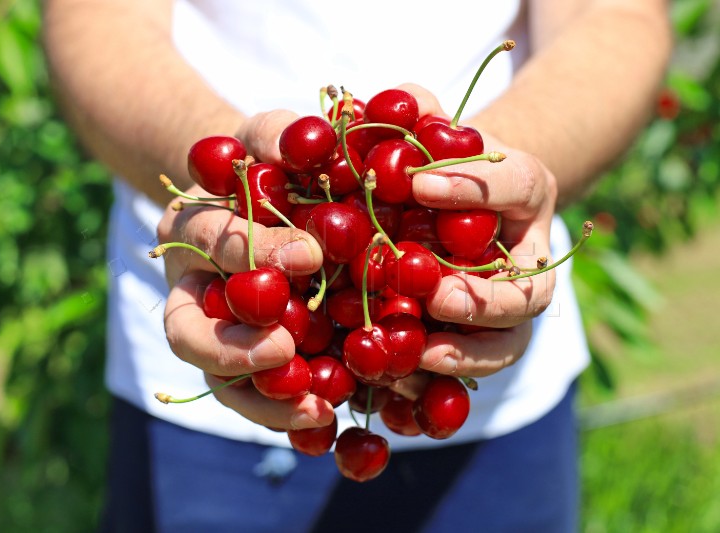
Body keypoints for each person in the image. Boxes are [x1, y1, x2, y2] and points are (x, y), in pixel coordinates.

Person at [43, 1, 671, 531]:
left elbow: (613, 15)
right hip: (220, 347)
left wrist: (496, 179)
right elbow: (95, 18)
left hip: (489, 365)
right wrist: (241, 190)